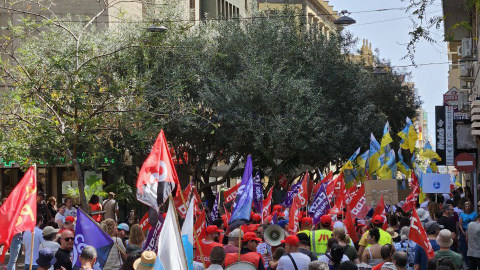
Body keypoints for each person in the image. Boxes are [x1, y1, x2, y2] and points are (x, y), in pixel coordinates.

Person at [459, 201, 477, 265]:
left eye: (468, 206)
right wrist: (463, 231)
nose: (467, 208)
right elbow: (460, 224)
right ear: (464, 207)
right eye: (466, 206)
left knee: (472, 245)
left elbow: (476, 222)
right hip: (464, 229)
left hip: (472, 230)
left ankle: (473, 261)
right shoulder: (462, 214)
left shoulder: (474, 214)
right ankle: (467, 262)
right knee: (464, 247)